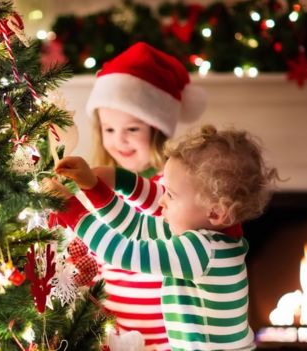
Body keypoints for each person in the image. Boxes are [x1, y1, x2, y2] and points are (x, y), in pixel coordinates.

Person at [50, 125, 279, 350]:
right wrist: (96, 187)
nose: (161, 201)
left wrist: (71, 209)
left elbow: (123, 252)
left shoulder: (201, 252)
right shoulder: (211, 234)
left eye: (171, 194)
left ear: (216, 212)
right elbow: (136, 226)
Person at [80, 41, 205, 350]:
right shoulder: (99, 188)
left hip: (167, 333)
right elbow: (94, 252)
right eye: (109, 130)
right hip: (114, 329)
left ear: (157, 130)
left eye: (132, 129)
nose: (119, 140)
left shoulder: (172, 188)